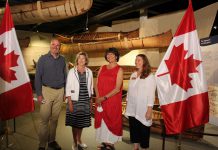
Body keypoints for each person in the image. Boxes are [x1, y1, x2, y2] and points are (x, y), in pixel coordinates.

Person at [35, 38, 67, 150]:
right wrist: (39, 94)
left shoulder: (63, 60)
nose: (55, 46)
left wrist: (65, 92)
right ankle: (42, 145)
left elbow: (65, 76)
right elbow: (38, 77)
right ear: (50, 46)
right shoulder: (43, 59)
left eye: (58, 45)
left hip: (60, 92)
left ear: (60, 47)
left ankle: (52, 141)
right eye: (53, 44)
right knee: (44, 119)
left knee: (55, 119)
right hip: (46, 91)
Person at [125, 54, 156, 150]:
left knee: (144, 131)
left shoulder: (150, 76)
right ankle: (135, 147)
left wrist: (149, 109)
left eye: (139, 60)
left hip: (143, 108)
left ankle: (144, 148)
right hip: (132, 107)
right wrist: (127, 104)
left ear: (144, 62)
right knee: (134, 129)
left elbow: (151, 94)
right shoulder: (133, 75)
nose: (136, 62)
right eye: (136, 60)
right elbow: (129, 91)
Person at [95, 48, 123, 150]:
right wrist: (98, 97)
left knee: (111, 120)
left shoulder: (119, 69)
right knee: (102, 120)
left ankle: (110, 144)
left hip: (112, 100)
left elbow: (117, 88)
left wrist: (104, 97)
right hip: (100, 100)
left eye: (112, 55)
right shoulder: (102, 67)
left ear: (116, 57)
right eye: (108, 55)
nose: (110, 56)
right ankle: (104, 142)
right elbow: (96, 83)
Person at [65, 52, 93, 150]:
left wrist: (90, 101)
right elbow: (68, 87)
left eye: (83, 58)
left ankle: (79, 140)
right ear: (77, 60)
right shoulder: (72, 71)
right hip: (75, 100)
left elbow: (91, 87)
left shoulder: (89, 71)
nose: (81, 60)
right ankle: (74, 141)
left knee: (81, 122)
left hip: (85, 100)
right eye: (79, 58)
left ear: (86, 60)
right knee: (75, 123)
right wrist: (70, 103)